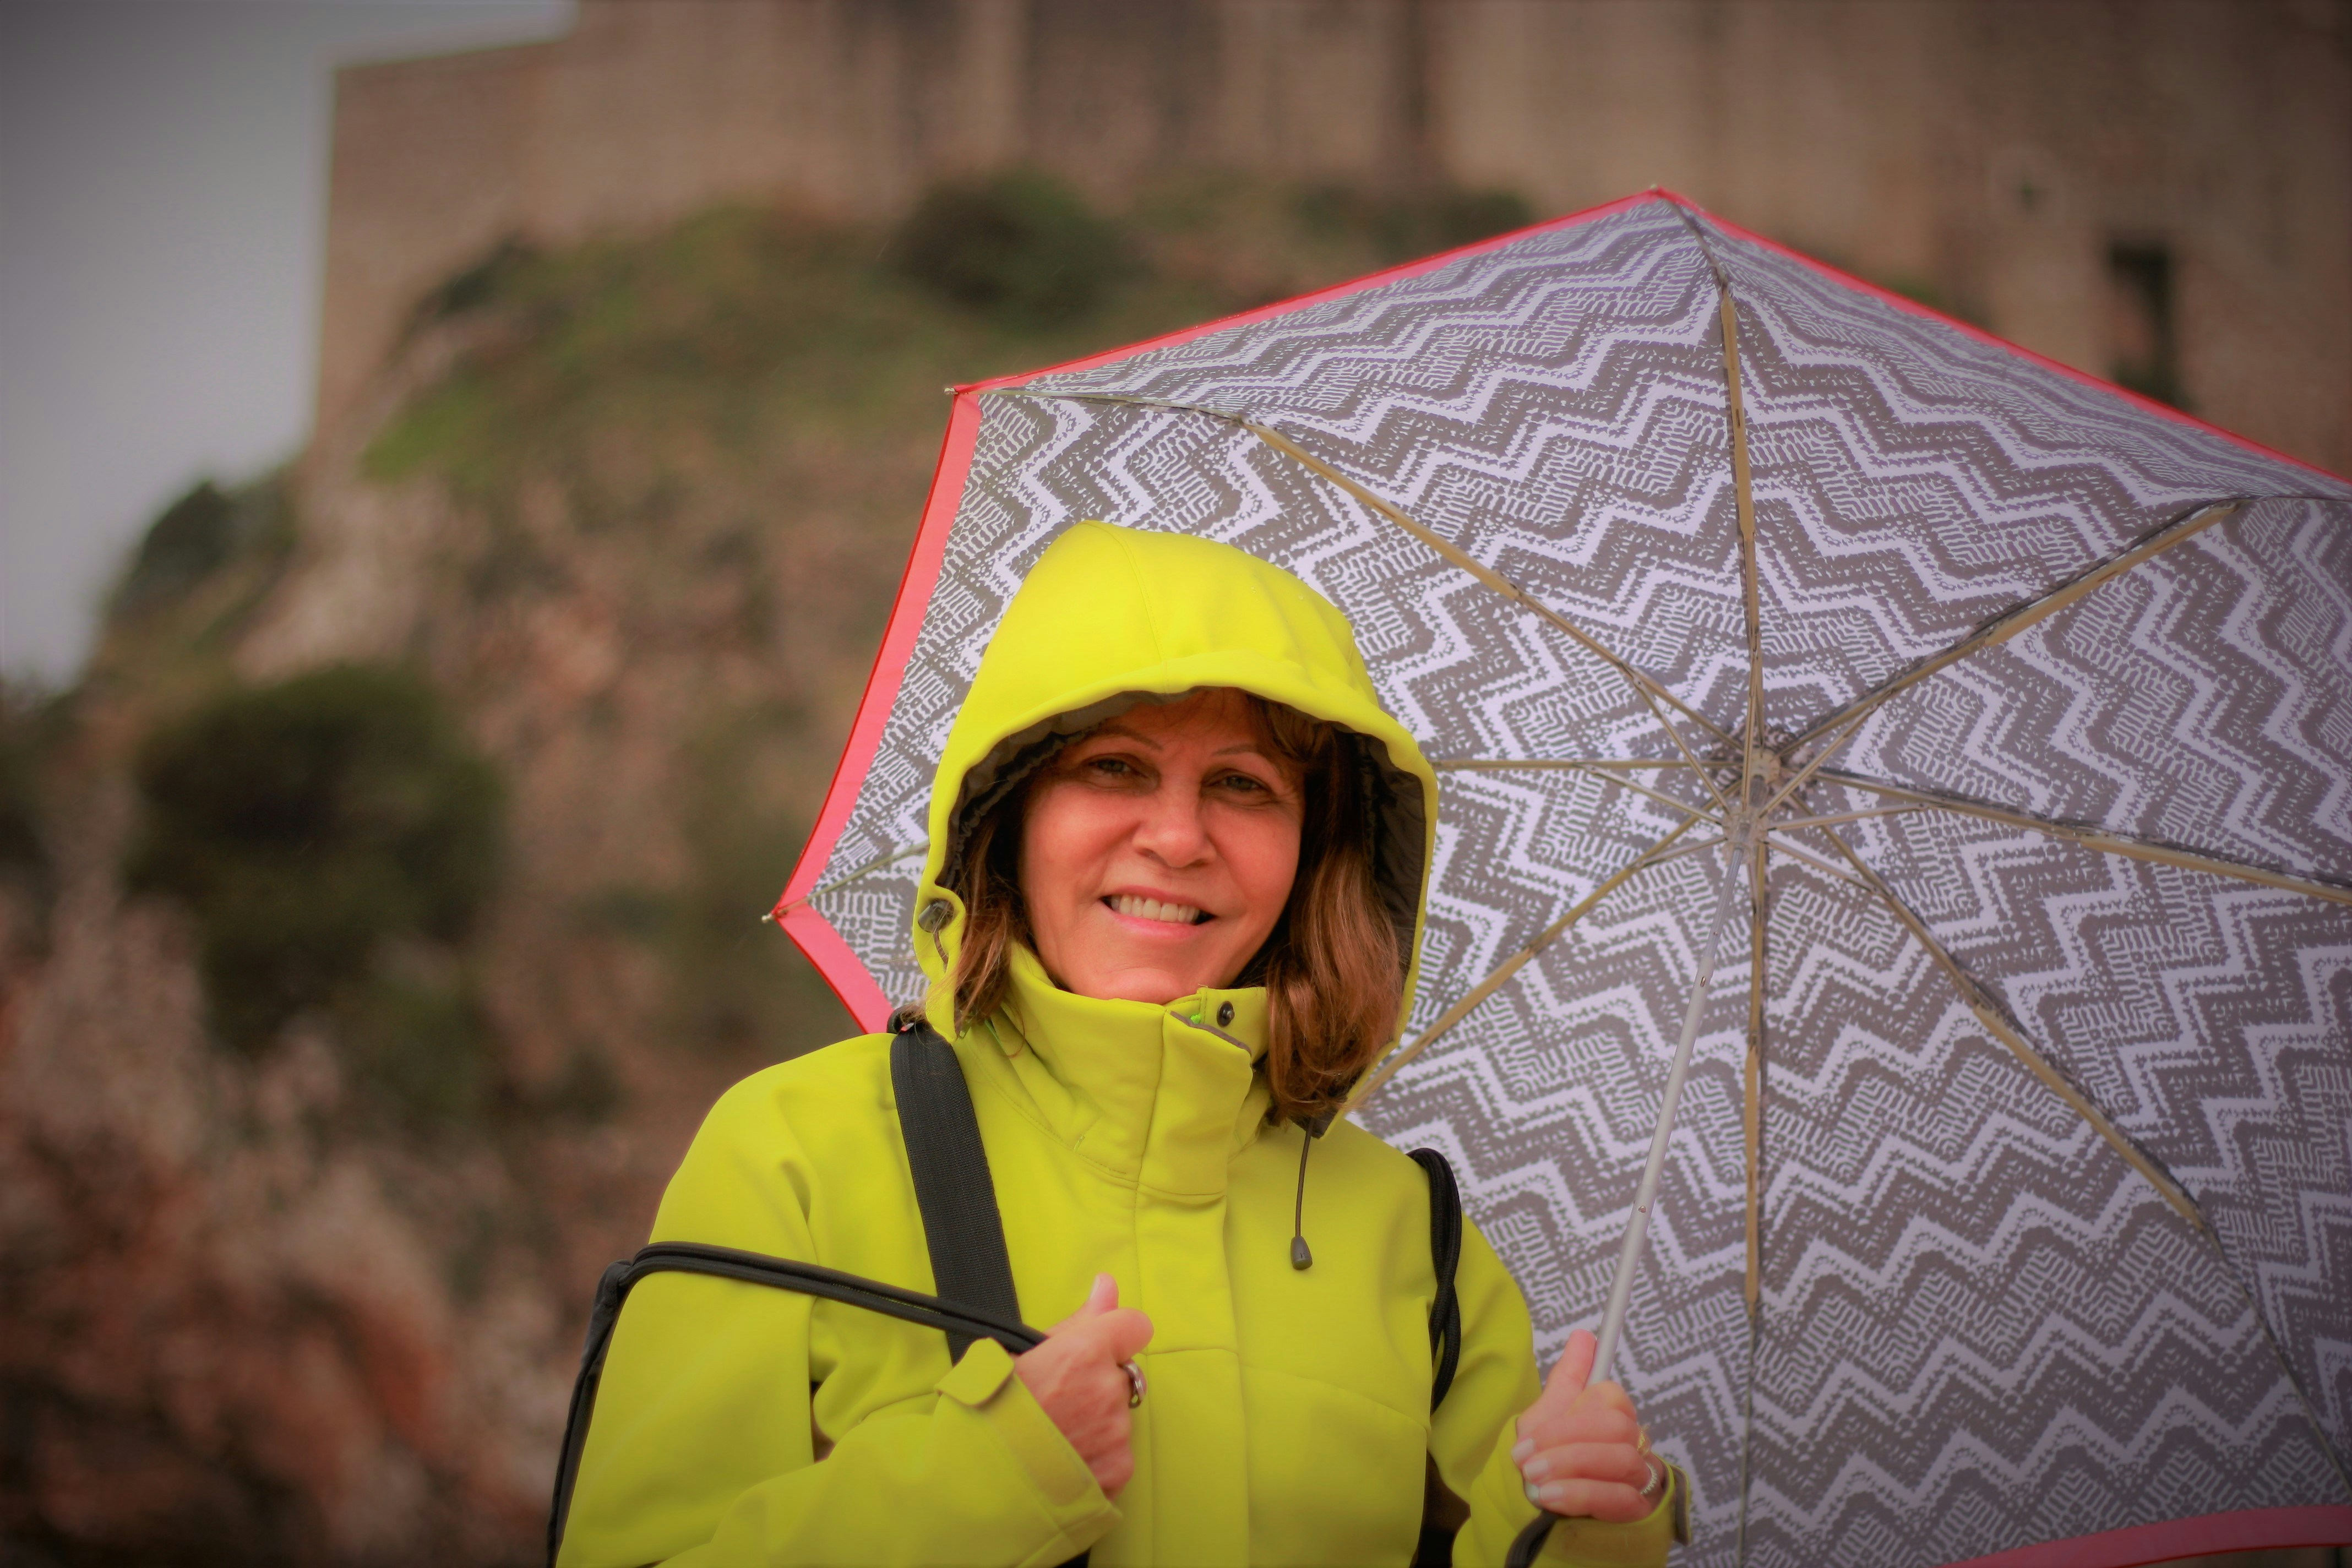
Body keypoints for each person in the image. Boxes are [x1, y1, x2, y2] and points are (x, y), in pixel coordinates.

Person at [557, 522, 1681, 1566]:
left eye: (1243, 785)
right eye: (1116, 767)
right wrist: (986, 1476)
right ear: (1012, 813)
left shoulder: (1414, 1235)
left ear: (1313, 853)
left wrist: (1586, 1521)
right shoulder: (792, 1154)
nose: (1179, 835)